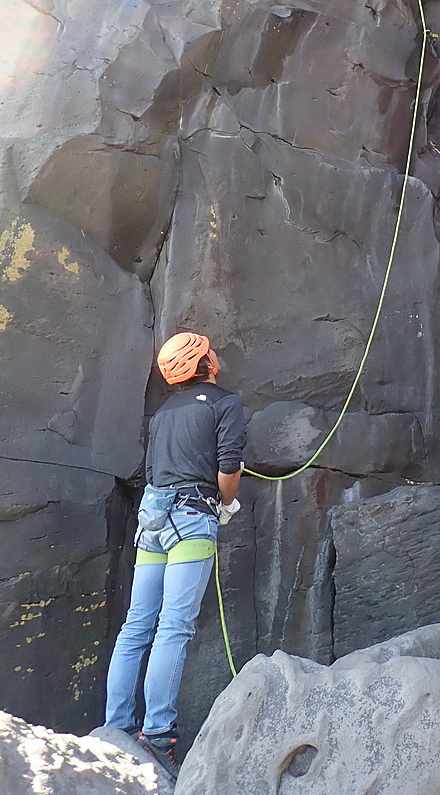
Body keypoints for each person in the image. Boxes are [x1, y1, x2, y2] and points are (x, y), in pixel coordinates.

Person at [103, 331, 246, 780]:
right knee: (174, 627)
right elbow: (228, 467)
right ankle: (158, 735)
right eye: (209, 350)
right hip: (193, 519)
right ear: (204, 361)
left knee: (136, 626)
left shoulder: (162, 414)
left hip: (154, 520)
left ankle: (116, 727)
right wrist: (226, 503)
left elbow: (153, 472)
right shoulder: (225, 403)